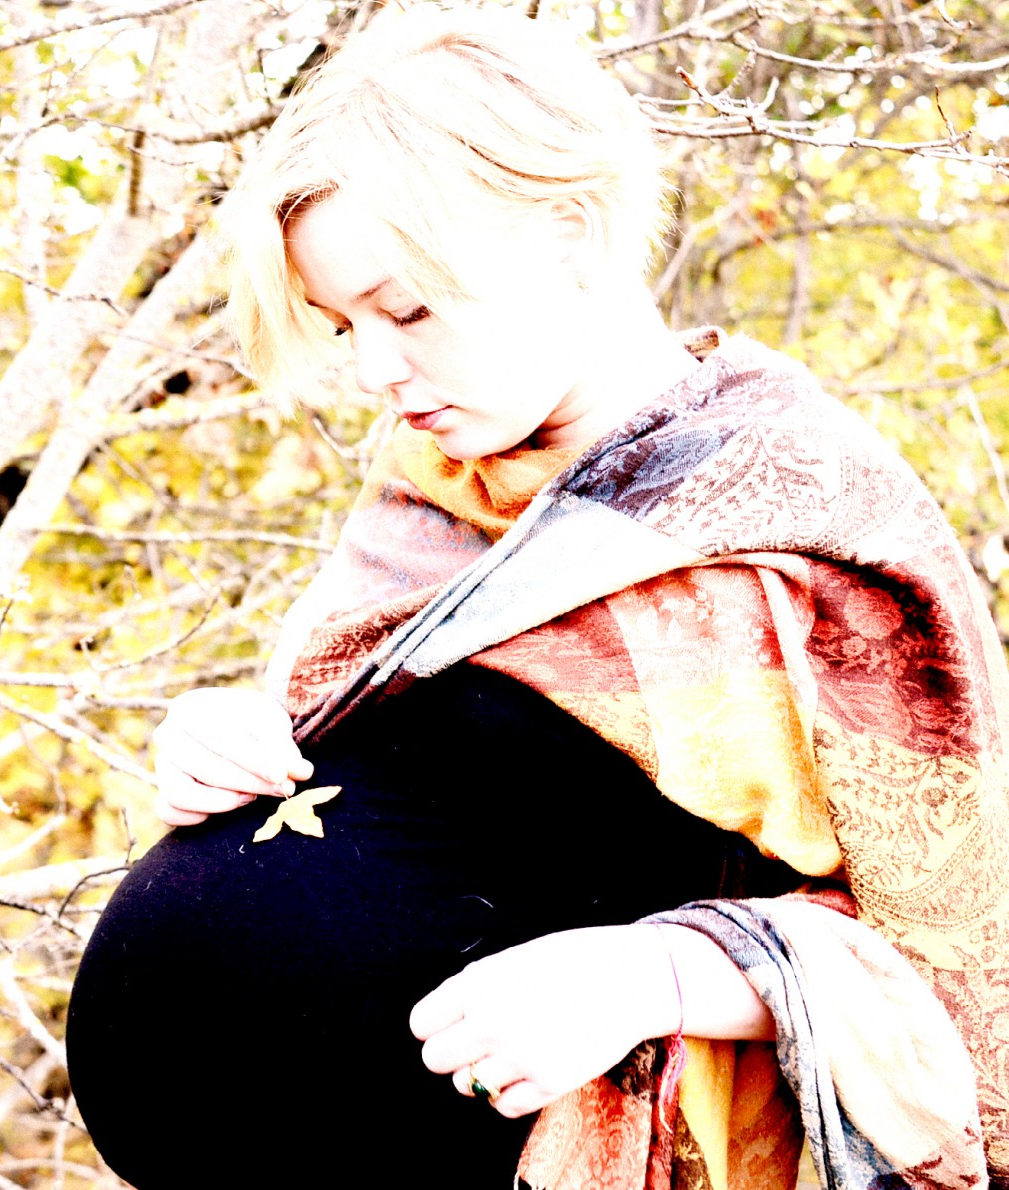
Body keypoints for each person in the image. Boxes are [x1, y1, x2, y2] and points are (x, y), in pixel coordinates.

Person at [63, 7, 1008, 1188]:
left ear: (565, 234)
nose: (373, 368)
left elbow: (962, 953)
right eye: (342, 324)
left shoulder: (805, 522)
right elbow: (388, 776)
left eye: (406, 309)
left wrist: (656, 976)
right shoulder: (439, 490)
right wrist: (226, 742)